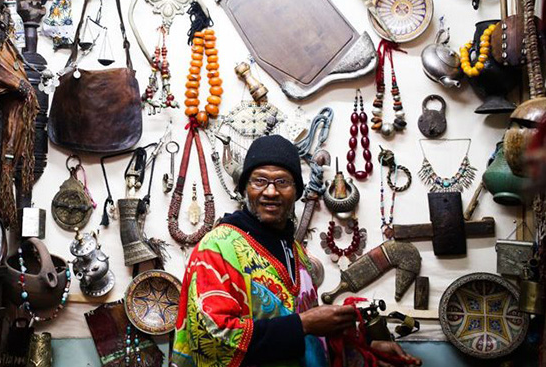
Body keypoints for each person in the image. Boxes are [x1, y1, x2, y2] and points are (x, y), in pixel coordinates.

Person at [171, 135, 422, 367]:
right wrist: (302, 325)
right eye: (259, 180)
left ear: (297, 192)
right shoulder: (217, 248)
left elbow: (313, 337)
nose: (271, 191)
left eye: (282, 181)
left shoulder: (296, 252)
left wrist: (365, 348)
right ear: (244, 188)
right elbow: (211, 339)